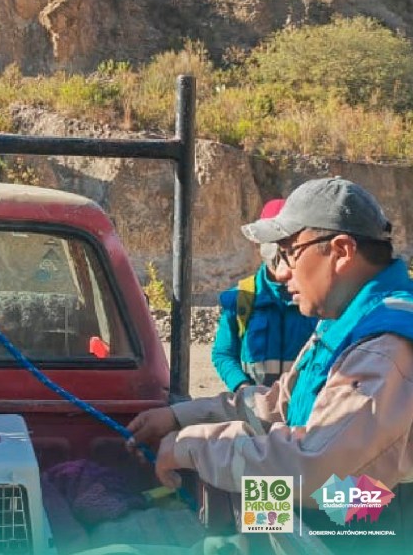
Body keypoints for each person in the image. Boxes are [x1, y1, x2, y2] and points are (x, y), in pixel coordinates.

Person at [128, 177, 413, 549]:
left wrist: (191, 448)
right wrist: (181, 417)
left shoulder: (385, 346)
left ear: (341, 251)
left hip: (364, 526)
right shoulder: (344, 323)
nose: (281, 271)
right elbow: (280, 404)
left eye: (289, 251)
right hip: (324, 511)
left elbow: (314, 467)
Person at [212, 199, 318, 391]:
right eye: (275, 241)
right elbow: (223, 354)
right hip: (255, 405)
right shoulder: (242, 297)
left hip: (303, 404)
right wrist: (244, 389)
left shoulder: (317, 296)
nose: (281, 250)